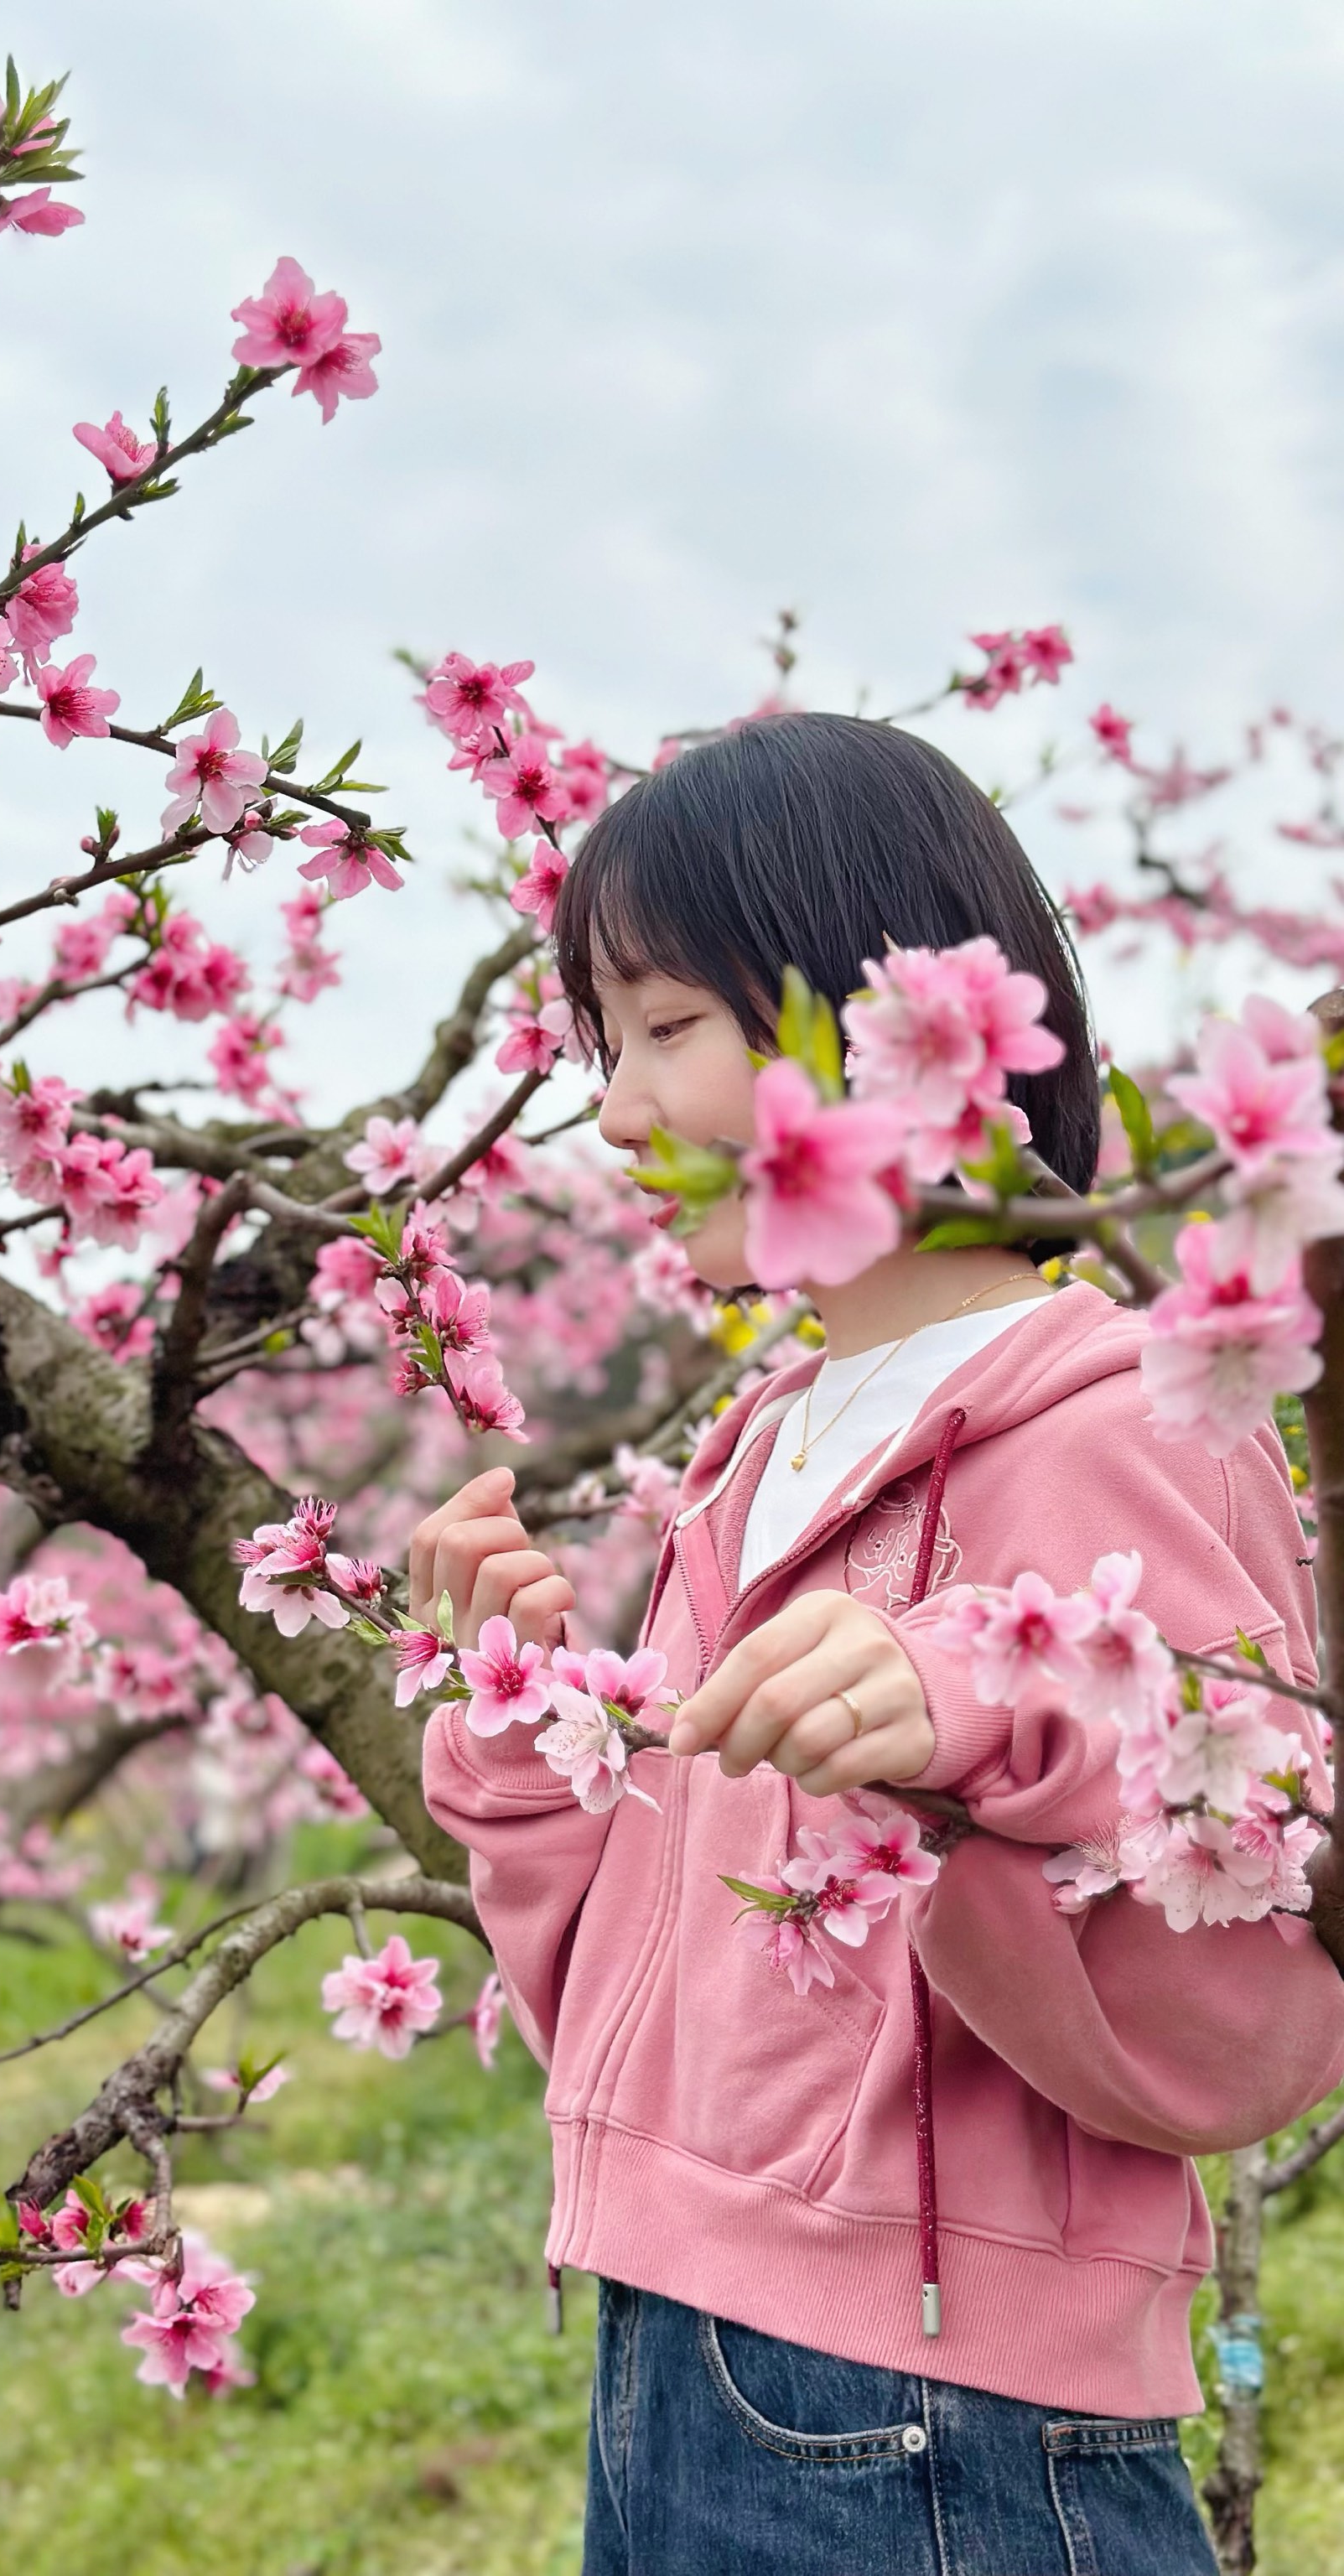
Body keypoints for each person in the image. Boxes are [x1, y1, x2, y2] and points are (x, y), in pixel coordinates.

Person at [416, 714, 1344, 2576]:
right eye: (606, 1046)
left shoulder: (1124, 1416)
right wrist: (515, 1731)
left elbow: (1266, 1846)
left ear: (895, 1020)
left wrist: (978, 1703)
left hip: (945, 2409)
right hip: (660, 2330)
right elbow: (650, 1978)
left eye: (664, 1028)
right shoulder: (751, 1449)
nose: (609, 1109)